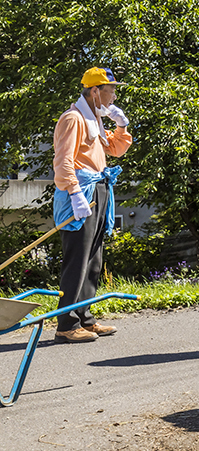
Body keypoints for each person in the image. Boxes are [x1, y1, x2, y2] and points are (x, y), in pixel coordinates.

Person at [51, 67, 133, 343]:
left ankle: (85, 318)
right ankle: (66, 323)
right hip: (80, 192)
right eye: (110, 90)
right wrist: (74, 194)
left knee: (93, 259)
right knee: (77, 258)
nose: (114, 97)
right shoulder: (73, 118)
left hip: (98, 188)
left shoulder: (94, 119)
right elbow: (63, 160)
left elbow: (114, 148)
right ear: (95, 91)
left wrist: (121, 126)